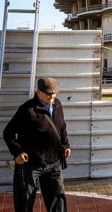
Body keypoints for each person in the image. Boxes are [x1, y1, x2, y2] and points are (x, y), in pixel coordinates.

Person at [3, 77, 70, 212]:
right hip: (30, 165)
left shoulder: (57, 104)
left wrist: (66, 144)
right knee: (25, 203)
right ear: (38, 92)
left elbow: (62, 127)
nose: (51, 98)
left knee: (58, 201)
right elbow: (8, 133)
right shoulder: (27, 110)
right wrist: (18, 152)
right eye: (47, 95)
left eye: (54, 94)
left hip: (53, 163)